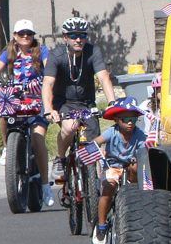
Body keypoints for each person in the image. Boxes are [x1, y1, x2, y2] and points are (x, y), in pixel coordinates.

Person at [0, 20, 52, 203]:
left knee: (37, 137)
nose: (25, 36)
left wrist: (50, 81)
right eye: (21, 34)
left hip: (38, 98)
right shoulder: (9, 52)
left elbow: (49, 67)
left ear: (33, 35)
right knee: (3, 110)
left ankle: (45, 186)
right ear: (15, 36)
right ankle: (7, 148)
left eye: (29, 33)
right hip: (17, 96)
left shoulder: (41, 51)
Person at [42, 16, 117, 182]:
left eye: (82, 35)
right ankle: (60, 159)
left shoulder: (93, 51)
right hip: (64, 103)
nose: (78, 39)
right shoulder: (56, 55)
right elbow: (48, 83)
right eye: (73, 35)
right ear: (65, 37)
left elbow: (104, 78)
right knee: (69, 128)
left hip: (86, 103)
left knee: (94, 144)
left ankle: (93, 186)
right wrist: (49, 109)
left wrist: (113, 103)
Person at [88, 97, 148, 244]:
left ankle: (132, 192)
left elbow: (144, 149)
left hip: (129, 166)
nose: (130, 123)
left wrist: (138, 158)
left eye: (133, 120)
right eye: (125, 119)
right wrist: (91, 148)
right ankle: (101, 225)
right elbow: (97, 142)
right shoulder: (112, 132)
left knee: (136, 169)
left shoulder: (139, 135)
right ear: (116, 120)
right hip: (112, 166)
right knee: (108, 188)